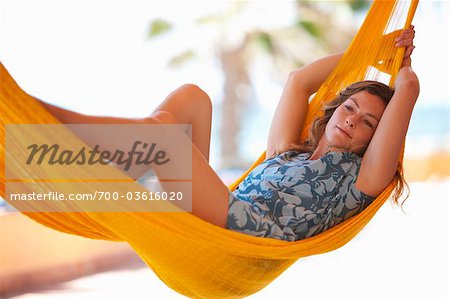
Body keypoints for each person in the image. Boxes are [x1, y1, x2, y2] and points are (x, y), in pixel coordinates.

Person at [36, 26, 419, 242]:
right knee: (193, 98)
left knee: (165, 135)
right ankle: (110, 181)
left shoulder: (359, 181)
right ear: (333, 111)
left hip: (239, 235)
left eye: (369, 123)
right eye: (350, 108)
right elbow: (299, 81)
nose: (353, 120)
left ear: (373, 140)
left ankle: (56, 124)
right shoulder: (286, 152)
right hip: (214, 207)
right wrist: (367, 52)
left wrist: (404, 66)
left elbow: (408, 91)